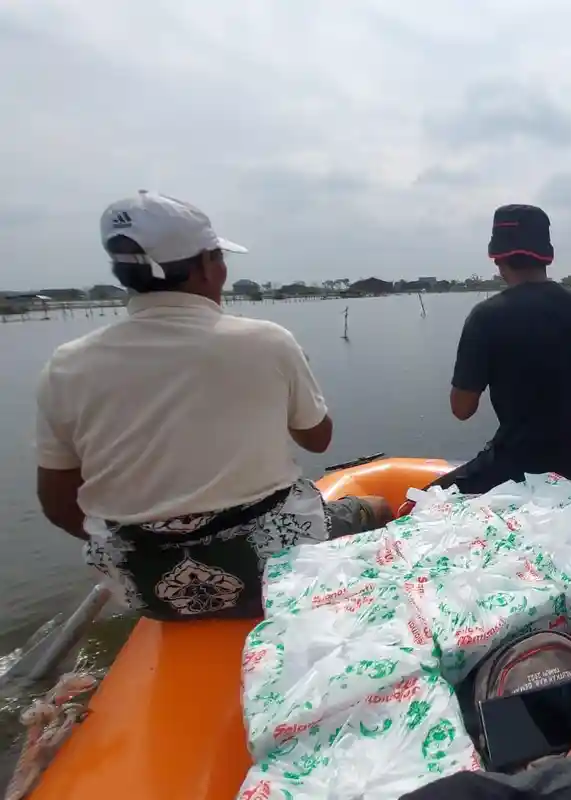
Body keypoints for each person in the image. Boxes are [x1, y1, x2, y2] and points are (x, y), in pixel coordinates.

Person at [35, 191, 391, 620]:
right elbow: (318, 439)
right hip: (273, 571)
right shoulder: (267, 342)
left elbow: (58, 505)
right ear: (208, 267)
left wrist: (149, 542)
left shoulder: (66, 365)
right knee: (376, 508)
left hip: (152, 592)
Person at [430, 204, 571, 495]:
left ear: (497, 258)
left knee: (420, 501)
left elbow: (462, 409)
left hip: (516, 469)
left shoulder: (485, 318)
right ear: (547, 256)